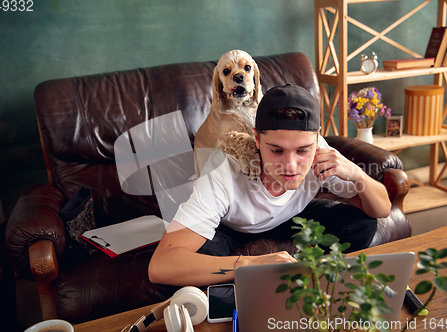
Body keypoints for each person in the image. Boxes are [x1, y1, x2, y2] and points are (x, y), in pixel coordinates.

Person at [148, 84, 391, 286]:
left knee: (362, 224)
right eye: (276, 151)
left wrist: (356, 173)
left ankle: (314, 284)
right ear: (257, 138)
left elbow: (381, 210)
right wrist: (250, 264)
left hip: (291, 217)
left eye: (302, 150)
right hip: (232, 227)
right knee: (198, 264)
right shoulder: (224, 172)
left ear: (316, 137)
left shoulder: (322, 157)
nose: (291, 166)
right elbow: (161, 266)